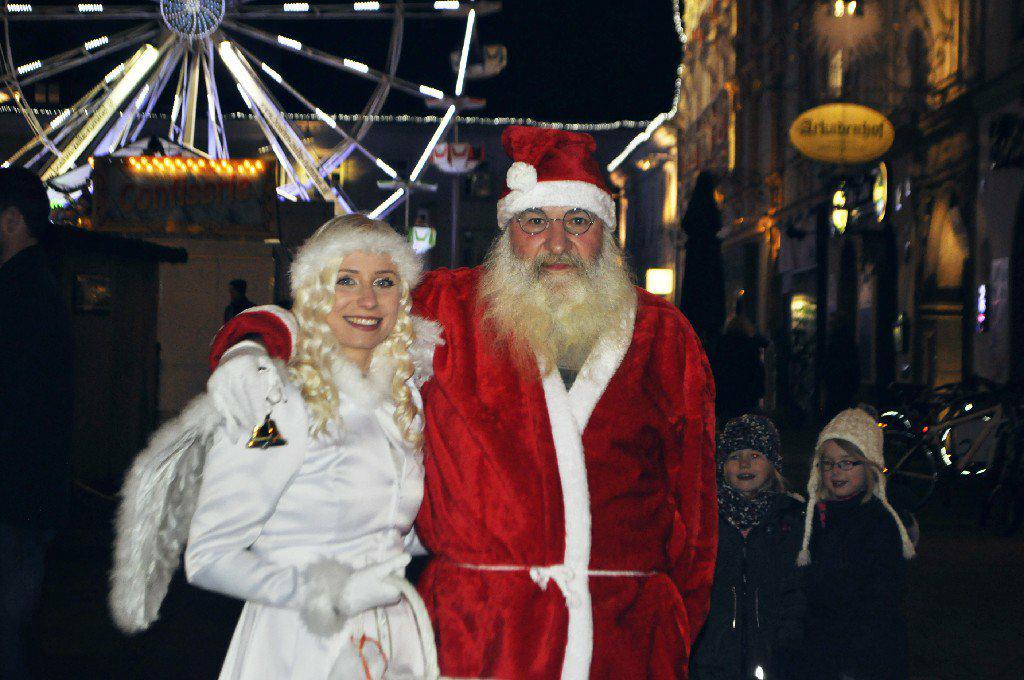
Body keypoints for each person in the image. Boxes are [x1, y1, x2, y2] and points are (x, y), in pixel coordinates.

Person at [207, 125, 718, 678]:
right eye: (534, 222)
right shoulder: (447, 309)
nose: (556, 243)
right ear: (507, 231)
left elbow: (696, 508)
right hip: (477, 637)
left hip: (625, 641)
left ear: (604, 232)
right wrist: (253, 343)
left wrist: (677, 627)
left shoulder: (664, 336)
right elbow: (341, 315)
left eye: (578, 221)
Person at [113, 215, 443, 678]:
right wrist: (326, 594)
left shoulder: (405, 399)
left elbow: (396, 526)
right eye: (345, 280)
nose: (367, 299)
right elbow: (209, 558)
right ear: (313, 291)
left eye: (384, 282)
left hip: (391, 634)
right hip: (300, 642)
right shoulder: (276, 400)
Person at [0, 168, 73, 679]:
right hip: (28, 488)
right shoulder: (40, 287)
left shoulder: (19, 294)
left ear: (11, 222)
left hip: (13, 491)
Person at [797, 408, 915, 680]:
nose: (836, 471)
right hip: (821, 647)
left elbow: (881, 599)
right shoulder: (813, 518)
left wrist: (853, 662)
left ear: (869, 465)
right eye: (828, 463)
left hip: (866, 655)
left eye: (847, 462)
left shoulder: (879, 523)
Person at [690, 415, 804, 680]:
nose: (744, 463)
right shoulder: (706, 519)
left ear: (773, 463)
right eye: (734, 456)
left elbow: (798, 588)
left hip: (774, 654)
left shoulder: (790, 518)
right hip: (714, 657)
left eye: (755, 455)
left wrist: (789, 638)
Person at [711, 314, 766, 423]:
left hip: (726, 391)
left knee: (727, 423)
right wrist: (759, 391)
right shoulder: (750, 346)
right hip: (746, 393)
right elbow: (757, 371)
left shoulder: (721, 345)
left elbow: (716, 369)